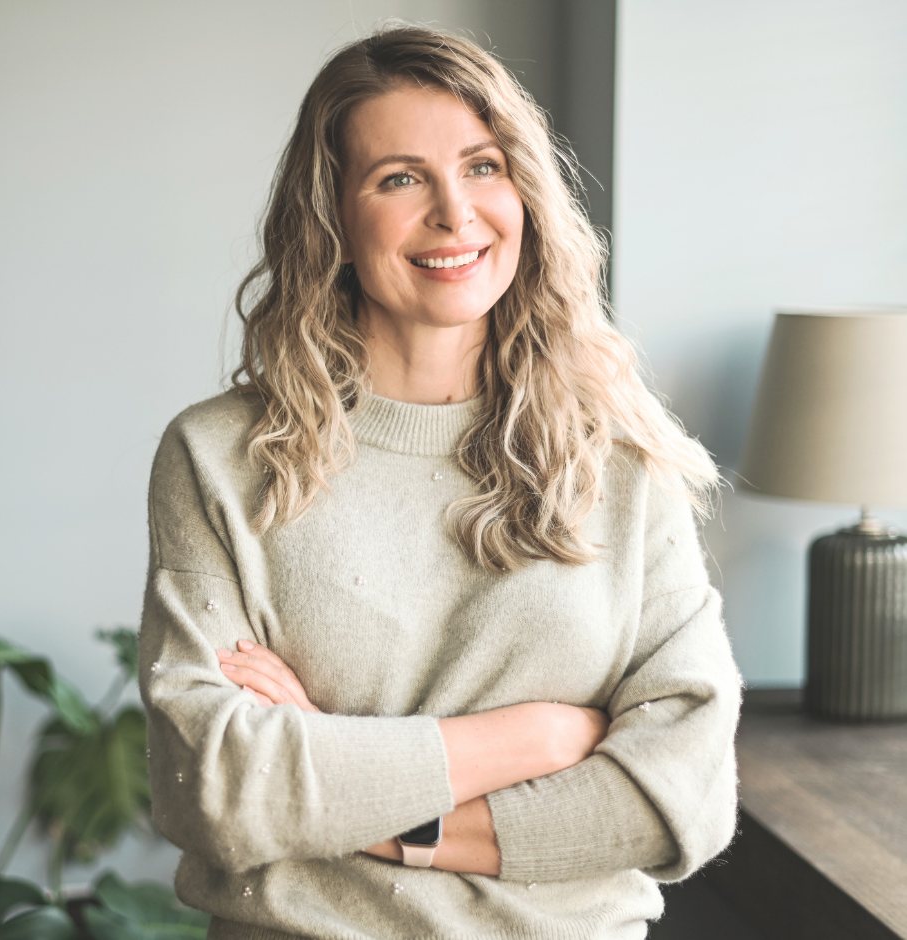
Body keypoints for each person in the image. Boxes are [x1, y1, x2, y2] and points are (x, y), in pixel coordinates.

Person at [139, 24, 742, 940]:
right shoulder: (221, 458)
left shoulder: (619, 455)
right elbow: (218, 791)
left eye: (485, 166)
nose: (455, 215)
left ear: (526, 191)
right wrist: (536, 740)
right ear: (334, 219)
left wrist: (368, 809)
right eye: (400, 178)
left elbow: (679, 797)